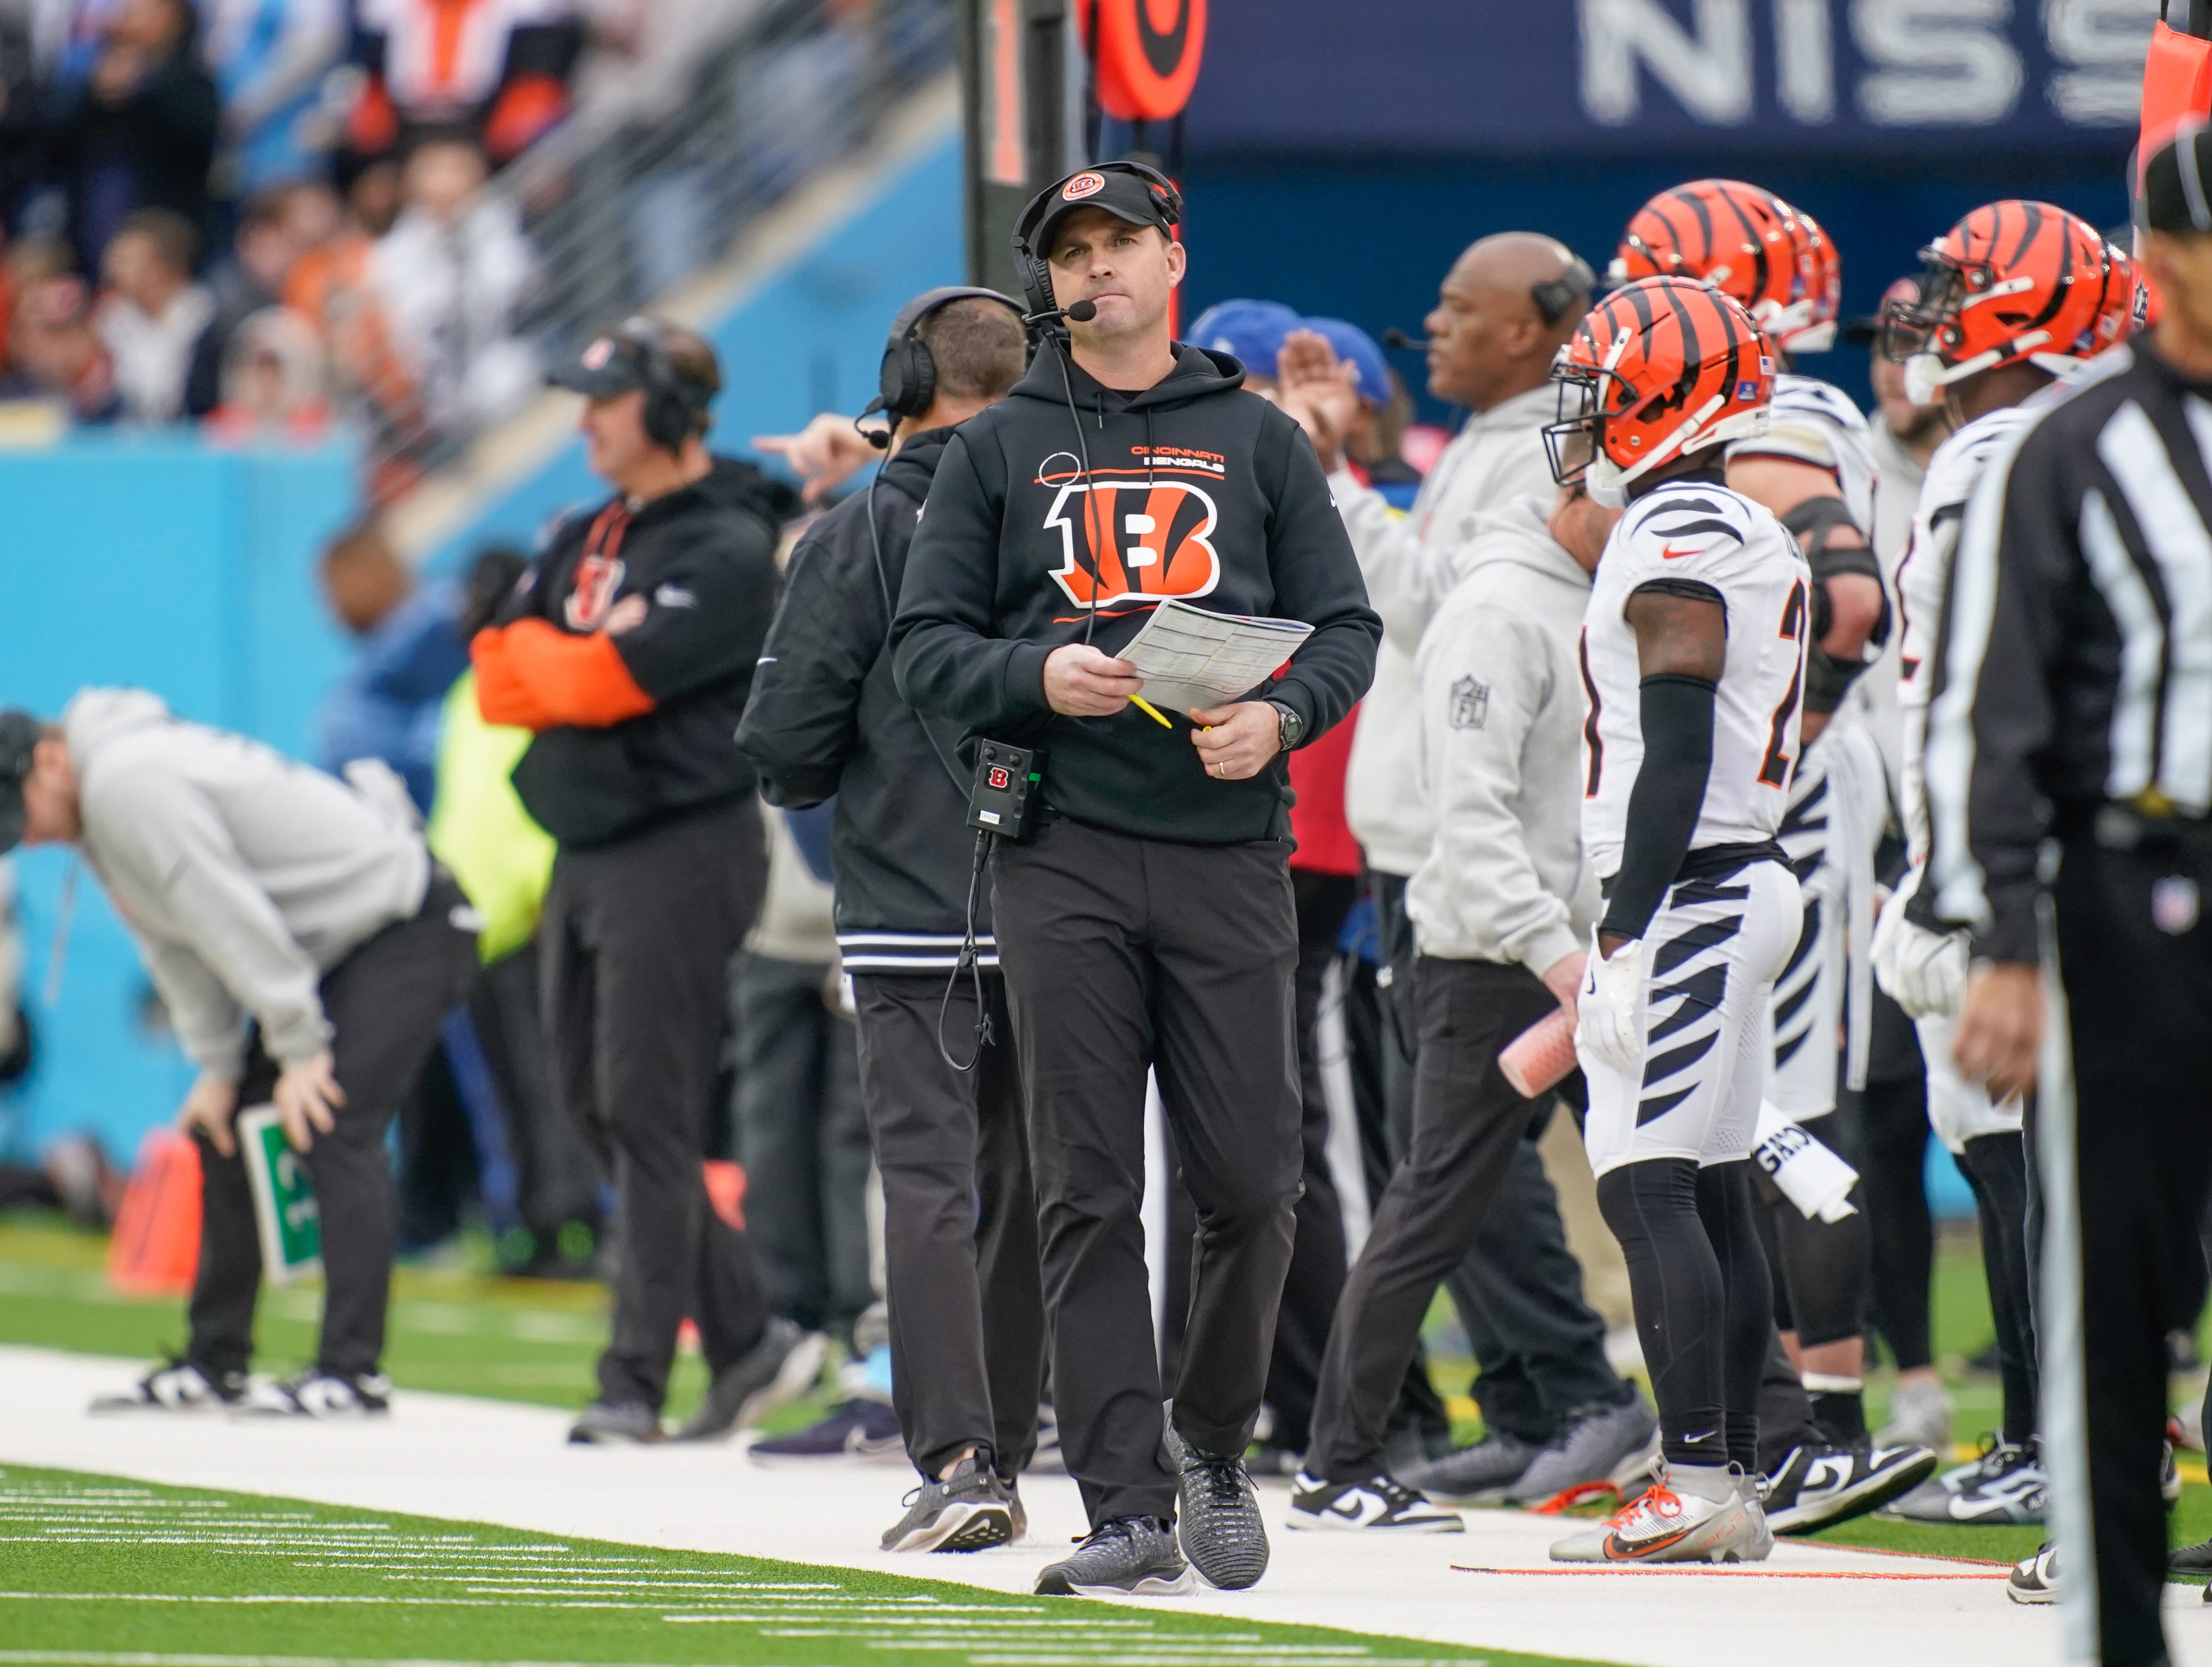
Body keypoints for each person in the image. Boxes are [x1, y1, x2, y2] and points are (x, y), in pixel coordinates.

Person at [891, 163, 1379, 1596]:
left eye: (1118, 245)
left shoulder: (1257, 438)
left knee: (1253, 1178)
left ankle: (1214, 1439)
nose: (1094, 270)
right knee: (1085, 1187)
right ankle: (1124, 1500)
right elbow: (925, 651)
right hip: (1062, 853)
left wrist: (1279, 714)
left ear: (1172, 256)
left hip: (1231, 851)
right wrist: (1030, 673)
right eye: (1069, 251)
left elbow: (1344, 629)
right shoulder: (994, 449)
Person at [1290, 236, 1653, 1502]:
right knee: (1458, 1168)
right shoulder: (1501, 437)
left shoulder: (1539, 448)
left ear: (1542, 327)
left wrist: (1331, 477)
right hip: (1458, 864)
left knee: (1462, 1173)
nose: (1432, 324)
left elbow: (1427, 607)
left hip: (1485, 879)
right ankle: (1536, 1392)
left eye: (1460, 306)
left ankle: (1579, 1390)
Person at [1922, 129, 2212, 1655]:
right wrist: (2006, 938)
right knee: (2119, 1287)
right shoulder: (2073, 447)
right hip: (2135, 886)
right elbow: (1995, 708)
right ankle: (2120, 1631)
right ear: (2163, 260)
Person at [1611, 179, 1938, 1533]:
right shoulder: (1786, 418)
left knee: (1760, 1124)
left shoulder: (1765, 425)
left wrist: (1781, 737)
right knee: (1745, 1132)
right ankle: (1788, 1427)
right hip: (1769, 800)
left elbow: (1847, 591)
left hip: (1759, 809)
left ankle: (1822, 1423)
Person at [740, 285, 1049, 1553]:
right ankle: (1045, 1436)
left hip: (915, 907)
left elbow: (786, 751)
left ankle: (964, 1457)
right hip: (1062, 900)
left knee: (929, 1182)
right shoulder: (1077, 512)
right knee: (1047, 1188)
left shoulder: (862, 527)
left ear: (906, 378)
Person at [470, 315, 815, 1444]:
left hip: (680, 844)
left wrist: (572, 664)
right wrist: (569, 664)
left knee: (645, 1110)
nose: (584, 422)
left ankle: (632, 1381)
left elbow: (605, 679)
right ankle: (749, 1339)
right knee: (591, 1105)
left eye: (604, 401)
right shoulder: (589, 526)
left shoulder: (722, 546)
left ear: (666, 411)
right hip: (588, 843)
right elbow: (496, 670)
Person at [1872, 204, 2136, 1534]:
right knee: (2015, 1150)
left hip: (2013, 855)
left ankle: (2079, 1445)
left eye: (1962, 286)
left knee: (2037, 1154)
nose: (1932, 309)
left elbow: (1995, 680)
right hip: (2031, 844)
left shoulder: (2007, 448)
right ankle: (2059, 1438)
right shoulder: (2051, 438)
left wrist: (1962, 871)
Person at [0, 692, 476, 1415]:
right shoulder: (99, 805)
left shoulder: (127, 781)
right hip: (333, 946)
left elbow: (228, 913)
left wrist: (300, 1046)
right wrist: (220, 1067)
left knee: (331, 1118)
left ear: (51, 761)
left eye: (20, 811)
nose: (28, 838)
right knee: (222, 1128)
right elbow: (175, 943)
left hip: (406, 920)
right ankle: (215, 1358)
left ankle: (352, 1371)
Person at [1542, 277, 1805, 1565]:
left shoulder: (1683, 526)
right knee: (1706, 1186)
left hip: (1694, 878)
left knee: (1647, 1183)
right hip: (1730, 874)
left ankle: (1697, 1470)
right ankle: (1728, 1475)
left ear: (1658, 393)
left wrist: (1628, 918)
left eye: (1600, 386)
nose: (1583, 412)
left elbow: (1681, 732)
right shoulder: (1719, 516)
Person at [366, 132, 539, 448]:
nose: (446, 182)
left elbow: (517, 284)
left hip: (503, 364)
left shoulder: (496, 218)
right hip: (441, 394)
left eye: (456, 169)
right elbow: (411, 326)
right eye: (434, 170)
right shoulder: (393, 252)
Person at [47, 0, 219, 269]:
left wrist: (145, 85)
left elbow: (200, 135)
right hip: (90, 217)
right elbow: (53, 137)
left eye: (143, 11)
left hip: (162, 220)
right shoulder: (95, 72)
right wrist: (95, 95)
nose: (128, 18)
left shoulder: (188, 75)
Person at [96, 207, 214, 423]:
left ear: (165, 267)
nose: (114, 269)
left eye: (127, 260)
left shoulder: (206, 318)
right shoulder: (111, 321)